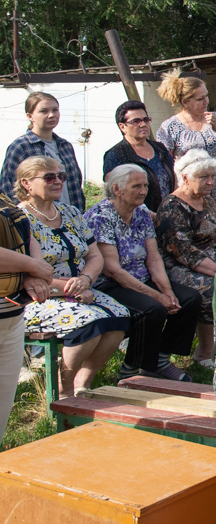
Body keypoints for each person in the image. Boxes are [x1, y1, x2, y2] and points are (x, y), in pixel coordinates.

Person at [14, 156, 130, 396]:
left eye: (61, 176)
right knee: (87, 322)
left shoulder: (70, 212)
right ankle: (61, 386)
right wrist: (73, 288)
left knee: (120, 316)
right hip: (38, 297)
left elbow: (95, 255)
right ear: (26, 183)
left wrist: (86, 280)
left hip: (81, 289)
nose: (58, 181)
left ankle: (83, 383)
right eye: (49, 177)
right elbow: (26, 271)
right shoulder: (18, 219)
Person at [85, 164, 202, 382]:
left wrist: (167, 292)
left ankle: (158, 359)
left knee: (188, 299)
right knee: (152, 308)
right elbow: (112, 269)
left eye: (145, 185)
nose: (143, 191)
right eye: (136, 186)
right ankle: (130, 369)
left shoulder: (140, 212)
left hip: (140, 276)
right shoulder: (100, 216)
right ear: (117, 189)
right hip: (109, 283)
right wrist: (157, 296)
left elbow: (153, 257)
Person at [155, 149, 216, 369]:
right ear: (186, 178)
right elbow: (185, 253)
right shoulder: (172, 207)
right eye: (204, 177)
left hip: (215, 262)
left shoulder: (207, 201)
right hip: (180, 268)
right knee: (212, 289)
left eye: (212, 177)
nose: (210, 182)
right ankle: (205, 353)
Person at [0, 192, 53, 443]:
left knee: (1, 411)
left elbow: (25, 234)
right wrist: (31, 267)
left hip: (11, 316)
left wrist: (31, 273)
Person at [156, 69, 216, 201]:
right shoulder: (170, 127)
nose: (206, 101)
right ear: (185, 102)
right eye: (200, 99)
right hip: (190, 193)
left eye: (206, 96)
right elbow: (166, 165)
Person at [1, 92, 86, 213]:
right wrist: (22, 221)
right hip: (37, 221)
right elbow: (8, 189)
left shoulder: (65, 146)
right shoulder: (21, 147)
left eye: (55, 110)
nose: (51, 115)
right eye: (44, 111)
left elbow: (75, 185)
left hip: (69, 220)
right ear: (30, 116)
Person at [103, 100, 176, 213]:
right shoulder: (115, 155)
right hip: (137, 221)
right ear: (122, 127)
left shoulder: (160, 149)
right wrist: (152, 217)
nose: (143, 124)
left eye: (146, 119)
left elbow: (175, 179)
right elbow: (114, 196)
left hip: (167, 217)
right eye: (135, 121)